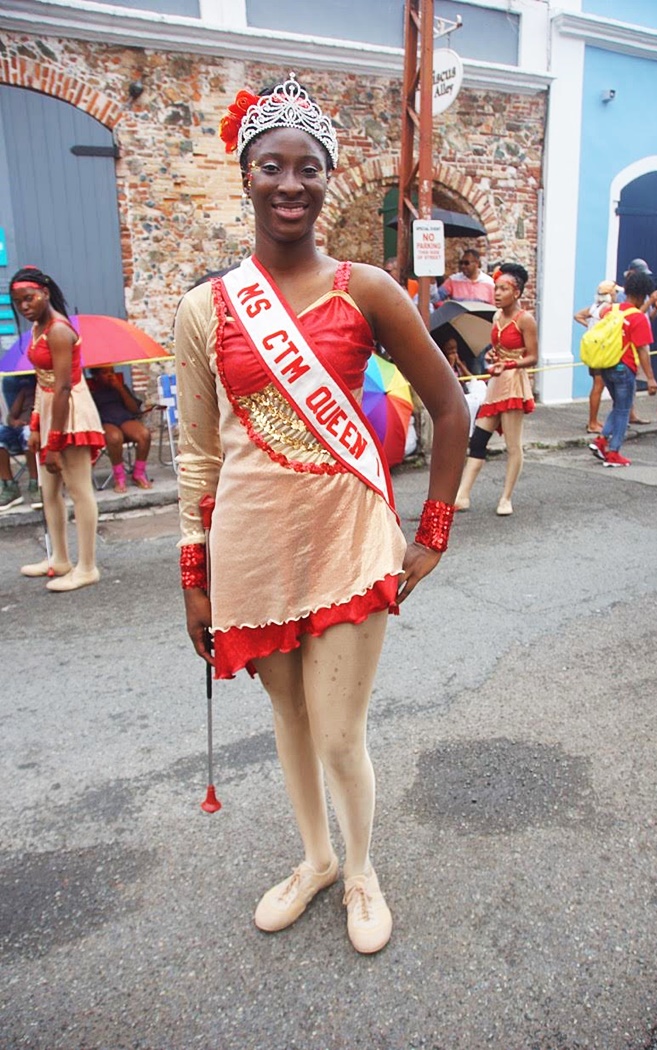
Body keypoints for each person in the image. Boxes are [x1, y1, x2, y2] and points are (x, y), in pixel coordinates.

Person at [174, 76, 469, 955]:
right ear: (248, 174)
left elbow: (450, 408)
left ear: (328, 179)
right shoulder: (205, 308)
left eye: (308, 167)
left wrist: (432, 534)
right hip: (251, 546)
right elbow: (197, 454)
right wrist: (194, 571)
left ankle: (363, 868)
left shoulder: (367, 289)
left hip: (349, 539)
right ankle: (316, 859)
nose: (290, 184)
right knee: (291, 719)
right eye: (273, 166)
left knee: (339, 732)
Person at [9, 266, 104, 591]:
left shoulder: (59, 331)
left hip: (70, 415)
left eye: (29, 298)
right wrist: (36, 425)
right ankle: (60, 558)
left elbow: (63, 387)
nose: (24, 306)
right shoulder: (39, 328)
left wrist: (55, 442)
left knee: (78, 490)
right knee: (48, 491)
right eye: (18, 302)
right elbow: (43, 382)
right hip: (51, 411)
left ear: (45, 293)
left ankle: (87, 567)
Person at [454, 262, 537, 515]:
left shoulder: (525, 320)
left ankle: (506, 498)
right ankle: (462, 495)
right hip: (496, 382)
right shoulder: (496, 317)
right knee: (478, 439)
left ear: (517, 292)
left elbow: (532, 357)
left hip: (513, 384)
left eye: (503, 289)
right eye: (496, 288)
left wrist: (509, 363)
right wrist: (494, 356)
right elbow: (498, 348)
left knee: (513, 445)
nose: (497, 293)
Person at [588, 269, 657, 468]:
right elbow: (642, 350)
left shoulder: (611, 310)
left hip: (606, 366)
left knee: (618, 407)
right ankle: (614, 452)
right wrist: (651, 378)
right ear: (643, 294)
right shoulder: (638, 318)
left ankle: (601, 441)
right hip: (624, 368)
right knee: (624, 411)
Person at [89, 366, 153, 493]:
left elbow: (134, 409)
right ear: (96, 376)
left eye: (112, 372)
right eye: (104, 372)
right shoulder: (91, 391)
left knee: (144, 435)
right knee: (115, 437)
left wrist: (120, 388)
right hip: (105, 420)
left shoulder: (121, 387)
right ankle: (119, 477)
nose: (109, 375)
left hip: (124, 418)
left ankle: (138, 473)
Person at [620, 258, 657, 425]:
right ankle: (624, 417)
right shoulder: (624, 295)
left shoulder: (644, 295)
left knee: (632, 380)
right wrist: (649, 301)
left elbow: (648, 318)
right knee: (626, 382)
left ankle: (631, 414)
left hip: (641, 339)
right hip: (628, 344)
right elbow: (633, 317)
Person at [574, 279, 620, 434]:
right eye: (615, 292)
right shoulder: (608, 309)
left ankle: (593, 420)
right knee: (598, 386)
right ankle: (592, 423)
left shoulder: (595, 307)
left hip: (594, 350)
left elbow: (578, 315)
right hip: (602, 351)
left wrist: (590, 328)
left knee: (598, 385)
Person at [0, 375, 40, 509]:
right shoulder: (25, 391)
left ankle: (36, 483)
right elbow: (11, 416)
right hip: (18, 427)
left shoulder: (45, 390)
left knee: (28, 433)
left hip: (37, 430)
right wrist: (14, 421)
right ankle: (9, 486)